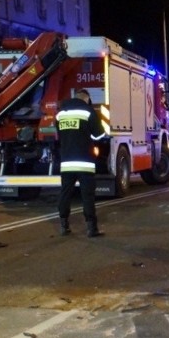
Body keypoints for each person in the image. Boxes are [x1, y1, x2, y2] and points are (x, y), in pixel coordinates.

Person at [55, 89, 106, 237]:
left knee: (65, 193)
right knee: (87, 195)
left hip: (66, 162)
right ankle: (91, 228)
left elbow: (60, 135)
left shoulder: (60, 114)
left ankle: (64, 226)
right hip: (85, 162)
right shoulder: (88, 111)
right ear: (87, 99)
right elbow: (99, 135)